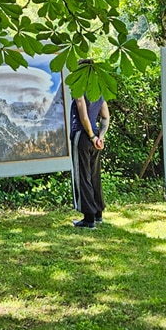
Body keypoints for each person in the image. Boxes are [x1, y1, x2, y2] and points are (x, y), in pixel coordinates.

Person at [69, 86, 110, 229]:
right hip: (96, 136)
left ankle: (88, 219)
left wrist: (92, 137)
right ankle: (98, 214)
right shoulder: (98, 91)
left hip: (83, 135)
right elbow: (105, 117)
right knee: (94, 175)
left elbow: (83, 116)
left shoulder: (79, 90)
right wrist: (100, 137)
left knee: (82, 176)